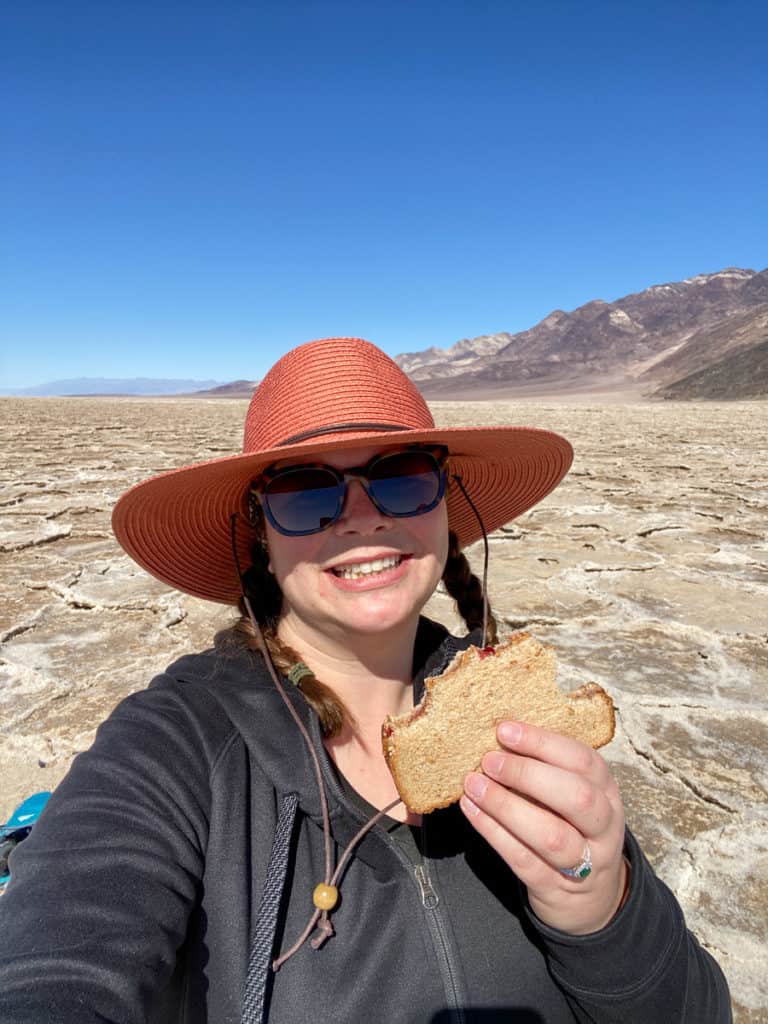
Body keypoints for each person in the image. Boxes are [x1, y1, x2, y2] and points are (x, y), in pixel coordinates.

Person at [0, 337, 731, 1023]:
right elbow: (57, 960)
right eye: (305, 493)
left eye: (402, 478)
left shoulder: (517, 717)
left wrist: (602, 909)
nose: (361, 519)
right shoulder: (177, 744)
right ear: (260, 530)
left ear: (445, 502)